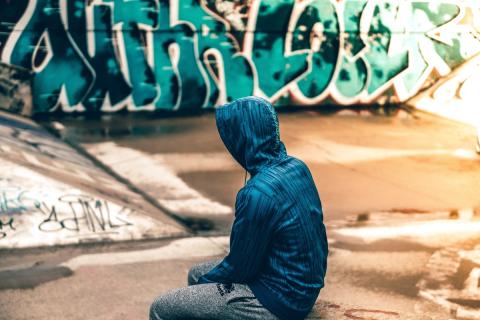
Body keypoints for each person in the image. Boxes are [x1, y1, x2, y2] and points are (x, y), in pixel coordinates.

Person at [150, 96, 328, 320]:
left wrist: (201, 289)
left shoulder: (257, 193)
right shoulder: (297, 167)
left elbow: (241, 266)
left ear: (243, 138)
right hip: (304, 286)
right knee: (196, 273)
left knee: (161, 307)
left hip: (279, 300)